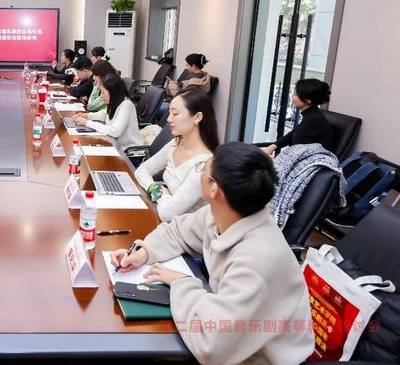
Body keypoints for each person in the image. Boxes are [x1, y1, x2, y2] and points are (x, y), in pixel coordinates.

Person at [111, 142, 314, 364]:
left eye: (205, 166)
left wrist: (181, 283)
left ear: (214, 189)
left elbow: (212, 345)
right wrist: (143, 252)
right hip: (234, 339)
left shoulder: (258, 261)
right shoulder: (223, 213)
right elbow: (177, 231)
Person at [135, 89, 219, 222]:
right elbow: (141, 171)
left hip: (183, 230)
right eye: (169, 113)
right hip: (161, 218)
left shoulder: (203, 165)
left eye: (175, 113)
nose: (169, 119)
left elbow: (167, 213)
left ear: (197, 117)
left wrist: (162, 193)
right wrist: (156, 189)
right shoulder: (176, 143)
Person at [263, 79, 335, 156]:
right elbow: (293, 133)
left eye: (295, 94)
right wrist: (273, 146)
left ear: (308, 100)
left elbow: (296, 151)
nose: (292, 96)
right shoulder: (312, 115)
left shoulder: (313, 120)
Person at [72, 73, 143, 149]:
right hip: (114, 144)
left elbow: (114, 131)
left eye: (103, 92)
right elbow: (104, 115)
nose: (101, 96)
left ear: (112, 92)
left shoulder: (126, 105)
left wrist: (87, 123)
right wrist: (87, 116)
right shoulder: (114, 102)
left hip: (127, 149)